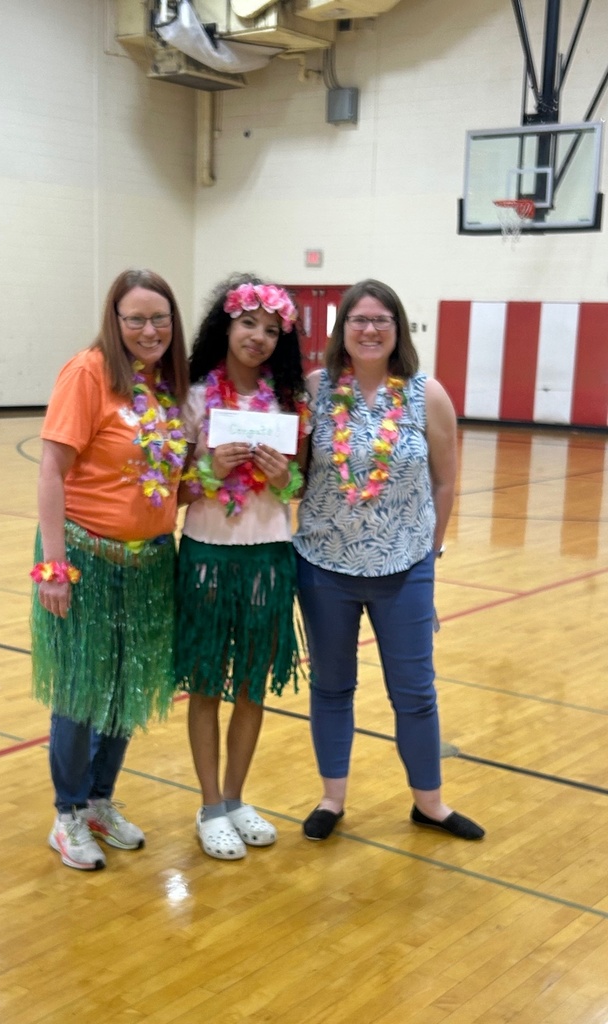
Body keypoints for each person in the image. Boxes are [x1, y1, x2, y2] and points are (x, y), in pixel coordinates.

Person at [293, 279, 485, 842]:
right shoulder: (316, 391)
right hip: (324, 564)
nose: (370, 329)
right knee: (331, 686)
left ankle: (431, 803)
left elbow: (446, 481)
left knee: (415, 691)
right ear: (342, 331)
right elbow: (299, 476)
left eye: (381, 320)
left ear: (397, 330)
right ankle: (332, 799)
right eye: (359, 320)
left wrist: (430, 550)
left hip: (405, 568)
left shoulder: (428, 395)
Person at [30, 268, 189, 870]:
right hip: (85, 558)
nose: (149, 330)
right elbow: (50, 470)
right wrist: (54, 566)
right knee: (79, 689)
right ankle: (67, 813)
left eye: (160, 319)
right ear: (114, 321)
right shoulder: (89, 372)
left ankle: (99, 799)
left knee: (127, 685)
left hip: (149, 563)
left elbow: (169, 475)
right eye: (136, 319)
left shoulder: (168, 383)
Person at [177, 275, 309, 860]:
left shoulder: (288, 404)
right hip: (206, 552)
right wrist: (208, 468)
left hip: (269, 556)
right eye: (249, 324)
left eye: (271, 330)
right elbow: (173, 491)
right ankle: (209, 805)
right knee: (206, 682)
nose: (258, 337)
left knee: (252, 683)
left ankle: (235, 797)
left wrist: (286, 479)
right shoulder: (194, 397)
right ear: (226, 326)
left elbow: (300, 483)